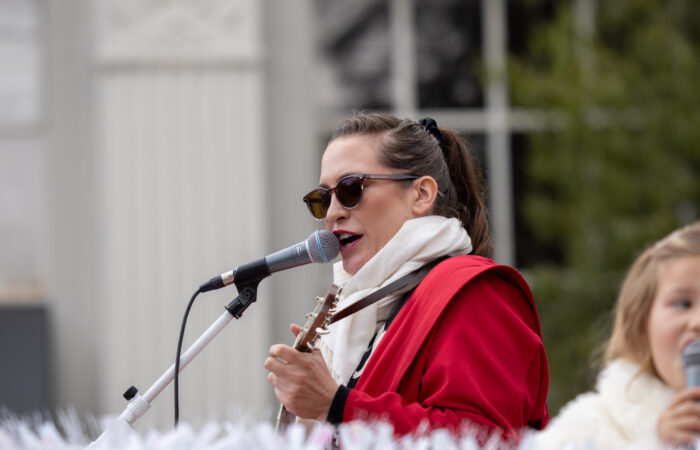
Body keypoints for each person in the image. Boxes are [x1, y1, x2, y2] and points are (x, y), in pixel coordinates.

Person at [264, 112, 549, 440]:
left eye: (351, 188)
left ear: (421, 195)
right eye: (322, 199)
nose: (331, 214)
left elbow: (484, 440)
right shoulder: (370, 308)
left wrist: (337, 405)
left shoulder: (476, 291)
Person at [534, 222, 700, 449]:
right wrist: (658, 444)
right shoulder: (588, 428)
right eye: (683, 304)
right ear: (641, 324)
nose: (697, 322)